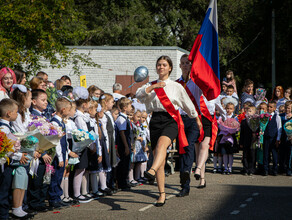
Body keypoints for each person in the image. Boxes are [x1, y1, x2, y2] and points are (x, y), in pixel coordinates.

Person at [136, 55, 201, 206]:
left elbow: (187, 104)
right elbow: (139, 95)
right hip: (155, 121)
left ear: (170, 68)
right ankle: (162, 194)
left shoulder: (176, 86)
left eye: (164, 65)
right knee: (160, 157)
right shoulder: (150, 85)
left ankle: (151, 170)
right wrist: (152, 87)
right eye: (159, 65)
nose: (161, 67)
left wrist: (196, 118)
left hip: (171, 120)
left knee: (161, 147)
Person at [0, 98, 34, 219]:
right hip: (5, 164)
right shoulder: (3, 128)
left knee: (6, 188)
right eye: (15, 112)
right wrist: (20, 156)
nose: (17, 114)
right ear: (9, 113)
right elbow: (6, 149)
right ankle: (3, 215)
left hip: (9, 162)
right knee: (3, 190)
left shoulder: (7, 127)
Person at [175, 54, 201, 197]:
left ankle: (186, 171)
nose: (185, 65)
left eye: (188, 63)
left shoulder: (196, 83)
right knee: (182, 149)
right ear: (180, 66)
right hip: (180, 120)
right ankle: (184, 184)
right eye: (183, 63)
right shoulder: (176, 84)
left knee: (189, 144)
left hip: (193, 119)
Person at [28, 89, 52, 212]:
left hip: (45, 152)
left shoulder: (44, 116)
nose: (46, 102)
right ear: (33, 101)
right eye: (42, 100)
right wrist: (42, 152)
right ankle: (34, 203)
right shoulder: (33, 116)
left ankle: (40, 202)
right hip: (38, 153)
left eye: (46, 100)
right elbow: (34, 136)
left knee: (43, 179)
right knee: (36, 181)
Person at [48, 98, 74, 209]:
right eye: (69, 110)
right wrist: (60, 158)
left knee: (59, 177)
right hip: (58, 155)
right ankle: (53, 199)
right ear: (63, 110)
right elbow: (56, 142)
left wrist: (66, 155)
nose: (69, 112)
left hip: (63, 153)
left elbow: (65, 141)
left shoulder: (62, 122)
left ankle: (58, 198)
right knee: (55, 177)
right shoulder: (55, 122)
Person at [71, 87, 93, 203]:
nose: (89, 104)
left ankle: (80, 192)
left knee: (83, 169)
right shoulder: (79, 117)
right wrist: (90, 142)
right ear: (84, 104)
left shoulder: (84, 115)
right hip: (81, 146)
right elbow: (82, 132)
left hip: (85, 146)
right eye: (88, 102)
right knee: (79, 170)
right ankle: (76, 193)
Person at [115, 97, 133, 190]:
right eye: (130, 106)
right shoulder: (121, 119)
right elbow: (122, 133)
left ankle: (125, 181)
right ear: (125, 108)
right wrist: (126, 146)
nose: (131, 107)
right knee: (123, 164)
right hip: (123, 145)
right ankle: (122, 183)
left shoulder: (125, 118)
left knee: (127, 163)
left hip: (127, 143)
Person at [217, 102, 238, 175]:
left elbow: (237, 127)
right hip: (224, 137)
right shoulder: (222, 116)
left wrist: (232, 131)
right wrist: (224, 130)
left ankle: (230, 168)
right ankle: (225, 167)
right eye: (227, 108)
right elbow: (220, 125)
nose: (229, 110)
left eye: (230, 109)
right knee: (224, 153)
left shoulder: (235, 117)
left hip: (231, 137)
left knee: (230, 154)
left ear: (233, 109)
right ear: (225, 109)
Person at [263, 101, 282, 176]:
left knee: (274, 155)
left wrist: (278, 139)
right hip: (266, 138)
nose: (269, 108)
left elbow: (279, 128)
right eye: (268, 107)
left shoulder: (277, 117)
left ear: (274, 108)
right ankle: (265, 169)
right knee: (266, 154)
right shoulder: (264, 116)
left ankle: (275, 170)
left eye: (271, 107)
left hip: (273, 138)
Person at [240, 106, 257, 175]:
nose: (248, 113)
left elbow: (258, 130)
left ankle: (252, 169)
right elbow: (242, 133)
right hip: (245, 140)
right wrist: (241, 142)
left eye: (250, 111)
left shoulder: (256, 121)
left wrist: (255, 134)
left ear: (254, 112)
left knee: (252, 155)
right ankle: (246, 169)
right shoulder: (244, 121)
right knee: (245, 155)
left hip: (253, 141)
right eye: (247, 111)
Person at [279, 101, 292, 175]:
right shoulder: (281, 116)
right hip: (282, 137)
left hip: (290, 138)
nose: (287, 110)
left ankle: (289, 169)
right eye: (286, 108)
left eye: (289, 108)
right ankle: (281, 168)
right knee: (282, 153)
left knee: (289, 154)